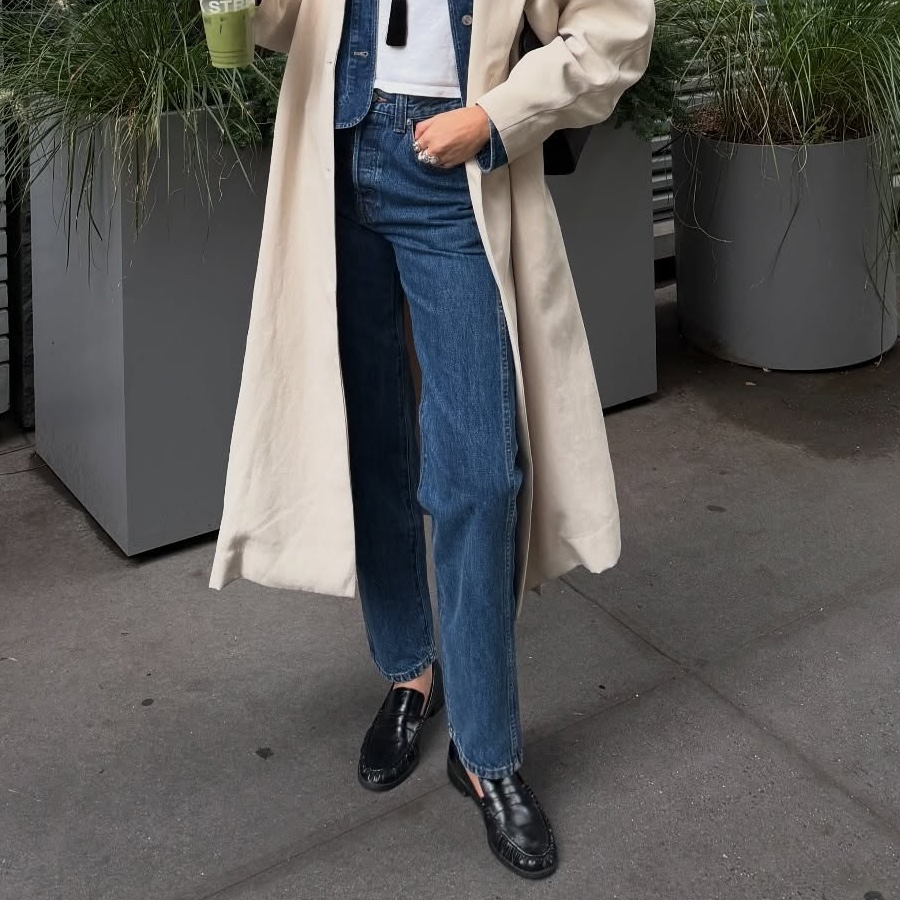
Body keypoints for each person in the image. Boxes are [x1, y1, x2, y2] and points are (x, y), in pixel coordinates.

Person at [210, 0, 655, 880]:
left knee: (481, 475)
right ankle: (409, 670)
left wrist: (493, 117)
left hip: (454, 168)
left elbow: (616, 28)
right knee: (370, 439)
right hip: (337, 149)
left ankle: (488, 755)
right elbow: (279, 21)